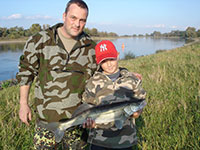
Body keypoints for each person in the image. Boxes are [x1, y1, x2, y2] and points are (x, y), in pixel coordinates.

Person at [16, 0, 97, 149]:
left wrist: (125, 75)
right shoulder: (40, 41)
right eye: (73, 18)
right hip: (46, 124)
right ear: (64, 16)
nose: (77, 24)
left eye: (82, 20)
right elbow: (25, 72)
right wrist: (23, 104)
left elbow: (103, 75)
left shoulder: (90, 47)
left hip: (78, 124)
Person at [82, 40, 146, 150]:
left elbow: (141, 101)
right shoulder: (92, 83)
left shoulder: (131, 80)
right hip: (99, 141)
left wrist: (138, 112)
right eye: (104, 61)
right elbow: (86, 106)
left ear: (117, 55)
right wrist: (87, 123)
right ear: (98, 62)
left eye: (111, 59)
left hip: (125, 140)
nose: (109, 64)